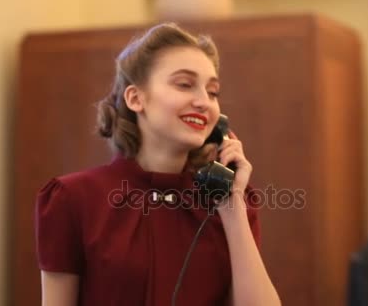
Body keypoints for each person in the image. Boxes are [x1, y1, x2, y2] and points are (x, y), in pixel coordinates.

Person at [35, 23, 280, 306]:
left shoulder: (232, 201)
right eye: (184, 84)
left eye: (213, 92)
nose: (204, 102)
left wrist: (231, 206)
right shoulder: (72, 198)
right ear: (136, 98)